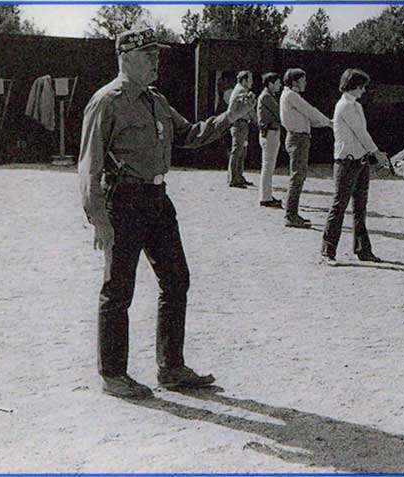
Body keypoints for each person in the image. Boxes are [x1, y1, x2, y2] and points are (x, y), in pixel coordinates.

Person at [78, 27, 255, 399]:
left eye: (157, 55)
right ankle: (113, 375)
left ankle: (171, 367)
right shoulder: (106, 102)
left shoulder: (156, 100)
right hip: (123, 201)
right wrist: (98, 218)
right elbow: (89, 166)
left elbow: (190, 135)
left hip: (158, 200)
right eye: (148, 55)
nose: (156, 61)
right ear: (125, 57)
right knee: (118, 290)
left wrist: (229, 116)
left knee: (177, 280)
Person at [321, 69, 391, 265]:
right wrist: (377, 153)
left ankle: (363, 249)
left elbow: (362, 134)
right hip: (346, 163)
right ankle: (328, 251)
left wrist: (372, 155)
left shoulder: (356, 106)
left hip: (360, 162)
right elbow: (361, 133)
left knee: (360, 208)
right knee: (340, 206)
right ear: (354, 86)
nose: (364, 90)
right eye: (362, 86)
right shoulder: (344, 106)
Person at [279, 68, 333, 228]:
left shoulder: (290, 95)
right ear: (295, 81)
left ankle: (292, 213)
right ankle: (290, 215)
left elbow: (309, 117)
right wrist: (329, 123)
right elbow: (311, 111)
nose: (306, 82)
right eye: (303, 79)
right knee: (297, 177)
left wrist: (324, 122)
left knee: (298, 176)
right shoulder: (291, 95)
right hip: (298, 139)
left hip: (298, 138)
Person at [256, 72, 283, 208]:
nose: (279, 85)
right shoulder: (266, 96)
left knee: (268, 166)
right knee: (268, 166)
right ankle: (265, 197)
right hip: (270, 133)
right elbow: (279, 113)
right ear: (270, 83)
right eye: (277, 83)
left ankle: (266, 195)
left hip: (270, 133)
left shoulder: (268, 96)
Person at [227, 71, 256, 188]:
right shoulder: (242, 91)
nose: (252, 82)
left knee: (241, 151)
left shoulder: (239, 89)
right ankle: (234, 178)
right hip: (239, 124)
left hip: (241, 124)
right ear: (244, 80)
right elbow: (248, 107)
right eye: (250, 79)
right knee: (238, 151)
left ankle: (238, 176)